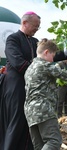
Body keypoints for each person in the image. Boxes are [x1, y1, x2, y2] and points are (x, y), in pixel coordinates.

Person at [0, 11, 41, 150]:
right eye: (35, 26)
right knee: (16, 121)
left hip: (30, 86)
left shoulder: (35, 42)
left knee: (28, 121)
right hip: (15, 86)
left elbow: (47, 54)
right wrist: (37, 71)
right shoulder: (13, 39)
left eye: (38, 27)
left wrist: (65, 52)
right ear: (25, 23)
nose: (37, 29)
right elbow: (17, 62)